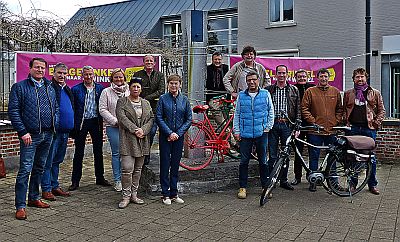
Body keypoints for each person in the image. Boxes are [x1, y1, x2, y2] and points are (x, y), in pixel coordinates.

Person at [8, 57, 59, 220]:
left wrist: (54, 125)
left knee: (39, 168)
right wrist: (23, 132)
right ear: (30, 68)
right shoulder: (19, 87)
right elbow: (14, 111)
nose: (40, 70)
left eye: (42, 68)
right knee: (25, 170)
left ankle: (34, 198)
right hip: (30, 136)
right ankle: (20, 206)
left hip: (48, 134)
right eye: (36, 67)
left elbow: (56, 107)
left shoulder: (49, 86)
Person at [343, 67, 385, 195]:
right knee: (352, 157)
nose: (360, 79)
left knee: (371, 158)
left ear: (366, 78)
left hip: (369, 130)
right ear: (353, 79)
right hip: (354, 129)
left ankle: (372, 184)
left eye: (362, 76)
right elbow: (344, 109)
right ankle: (352, 184)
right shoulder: (348, 93)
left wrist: (375, 123)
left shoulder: (375, 93)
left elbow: (382, 111)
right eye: (357, 77)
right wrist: (346, 122)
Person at [69, 66, 111, 191]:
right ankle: (75, 181)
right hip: (82, 122)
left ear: (94, 75)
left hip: (95, 122)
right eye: (86, 74)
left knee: (98, 151)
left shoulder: (100, 89)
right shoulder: (76, 89)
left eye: (90, 74)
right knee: (79, 152)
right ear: (82, 75)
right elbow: (73, 108)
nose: (88, 77)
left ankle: (100, 177)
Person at [233, 71, 274, 199]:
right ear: (246, 81)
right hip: (245, 134)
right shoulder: (241, 96)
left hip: (261, 133)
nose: (251, 82)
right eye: (249, 80)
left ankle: (265, 187)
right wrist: (237, 131)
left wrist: (268, 127)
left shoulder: (265, 94)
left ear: (258, 80)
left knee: (263, 161)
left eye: (254, 80)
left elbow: (270, 111)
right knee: (244, 161)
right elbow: (237, 114)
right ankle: (242, 187)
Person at [301, 68, 343, 192]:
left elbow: (340, 109)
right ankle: (313, 181)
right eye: (321, 76)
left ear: (329, 78)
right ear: (317, 78)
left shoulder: (335, 91)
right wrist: (313, 122)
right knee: (314, 157)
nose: (323, 79)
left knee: (333, 158)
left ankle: (333, 183)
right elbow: (304, 108)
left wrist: (335, 121)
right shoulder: (310, 91)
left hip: (331, 131)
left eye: (326, 76)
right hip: (315, 132)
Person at [116, 77, 154, 208]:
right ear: (129, 88)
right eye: (133, 86)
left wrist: (143, 130)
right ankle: (125, 196)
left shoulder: (146, 103)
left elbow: (151, 119)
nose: (136, 89)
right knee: (127, 169)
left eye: (138, 87)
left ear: (141, 89)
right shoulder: (122, 102)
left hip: (142, 140)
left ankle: (134, 195)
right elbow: (121, 118)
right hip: (128, 139)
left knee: (138, 169)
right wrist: (135, 130)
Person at [156, 74, 192, 205]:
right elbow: (159, 117)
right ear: (168, 85)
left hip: (179, 137)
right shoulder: (162, 99)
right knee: (165, 164)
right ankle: (165, 194)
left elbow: (189, 119)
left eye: (176, 83)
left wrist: (178, 133)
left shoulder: (184, 100)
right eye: (171, 83)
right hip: (166, 137)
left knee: (175, 165)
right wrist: (170, 132)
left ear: (180, 85)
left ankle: (174, 193)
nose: (174, 86)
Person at [41, 63, 74, 201]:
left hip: (65, 132)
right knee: (48, 162)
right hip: (53, 132)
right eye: (59, 73)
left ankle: (55, 186)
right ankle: (46, 189)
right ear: (53, 73)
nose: (62, 76)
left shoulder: (67, 88)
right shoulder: (49, 88)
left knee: (57, 161)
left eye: (64, 73)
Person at [266, 65, 300, 191]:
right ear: (275, 74)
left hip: (287, 125)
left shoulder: (294, 90)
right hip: (273, 125)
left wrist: (297, 126)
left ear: (287, 74)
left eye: (284, 73)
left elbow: (298, 110)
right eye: (279, 73)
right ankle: (271, 180)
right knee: (273, 155)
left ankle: (284, 180)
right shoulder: (268, 89)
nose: (281, 75)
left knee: (286, 154)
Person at [99, 68, 130, 192]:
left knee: (127, 154)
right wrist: (114, 121)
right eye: (116, 77)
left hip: (128, 128)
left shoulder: (129, 91)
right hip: (113, 127)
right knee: (117, 154)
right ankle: (117, 180)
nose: (118, 79)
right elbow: (102, 109)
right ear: (112, 78)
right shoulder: (106, 92)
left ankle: (126, 179)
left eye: (121, 77)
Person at [133, 55, 166, 165]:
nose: (149, 62)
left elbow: (161, 91)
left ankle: (149, 155)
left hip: (156, 108)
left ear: (154, 63)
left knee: (152, 132)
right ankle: (141, 154)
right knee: (143, 132)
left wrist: (146, 98)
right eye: (147, 60)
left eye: (151, 61)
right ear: (143, 62)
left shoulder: (160, 75)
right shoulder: (137, 75)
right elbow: (135, 88)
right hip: (140, 108)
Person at [291, 69, 315, 185]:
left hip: (311, 123)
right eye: (299, 76)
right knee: (298, 152)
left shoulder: (313, 87)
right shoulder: (293, 88)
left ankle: (311, 176)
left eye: (303, 76)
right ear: (295, 78)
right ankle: (297, 176)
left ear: (307, 77)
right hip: (298, 125)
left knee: (312, 152)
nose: (301, 78)